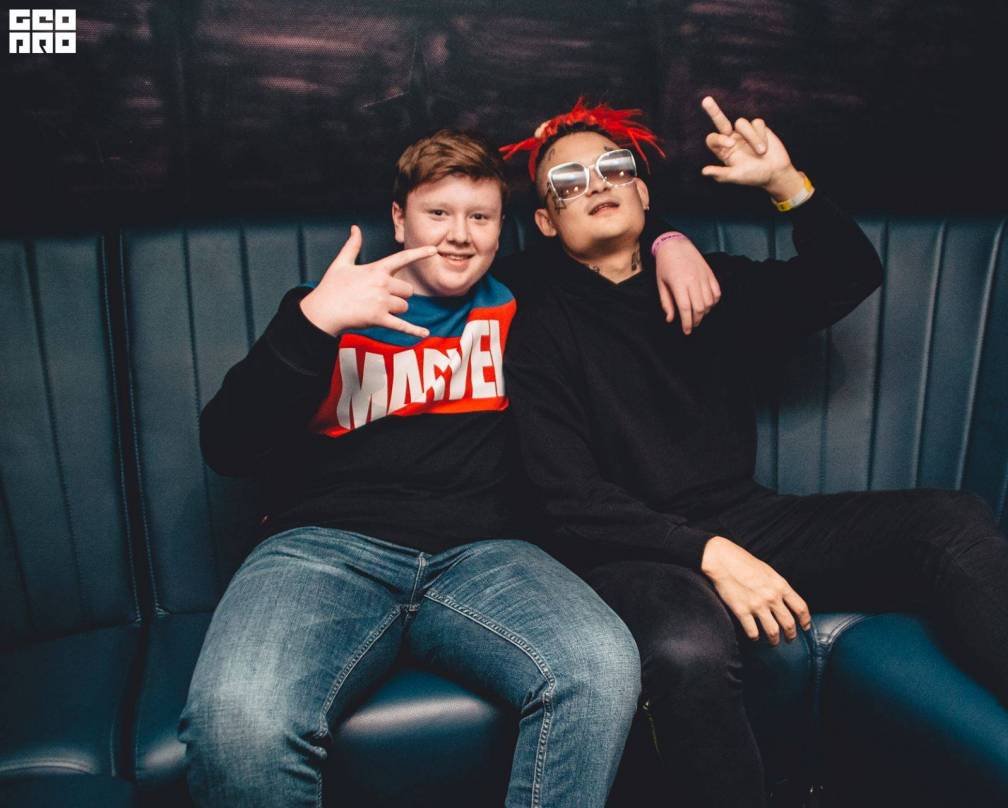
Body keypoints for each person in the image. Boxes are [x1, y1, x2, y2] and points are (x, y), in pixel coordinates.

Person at [501, 97, 1008, 808]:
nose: (595, 184)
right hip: (623, 550)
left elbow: (846, 274)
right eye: (567, 181)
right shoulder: (530, 311)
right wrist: (711, 554)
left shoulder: (710, 282)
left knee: (947, 521)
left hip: (742, 519)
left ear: (643, 190)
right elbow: (569, 498)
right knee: (688, 647)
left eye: (613, 167)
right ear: (546, 221)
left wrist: (783, 185)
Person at [178, 128, 718, 807]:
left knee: (602, 667)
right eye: (438, 213)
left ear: (501, 229)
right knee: (237, 723)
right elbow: (225, 448)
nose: (459, 236)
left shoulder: (525, 300)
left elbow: (607, 225)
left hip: (485, 554)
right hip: (325, 548)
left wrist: (671, 241)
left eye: (480, 217)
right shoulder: (329, 305)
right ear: (399, 218)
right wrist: (313, 324)